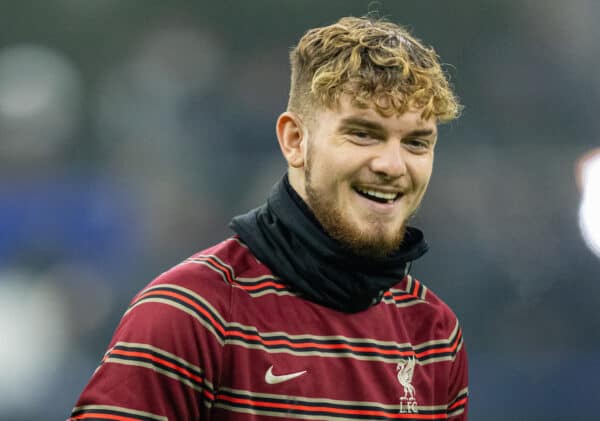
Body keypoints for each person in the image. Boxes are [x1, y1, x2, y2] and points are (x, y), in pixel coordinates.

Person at [69, 16, 468, 421]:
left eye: (417, 143)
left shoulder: (434, 333)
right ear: (295, 141)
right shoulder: (192, 311)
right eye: (363, 134)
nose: (392, 165)